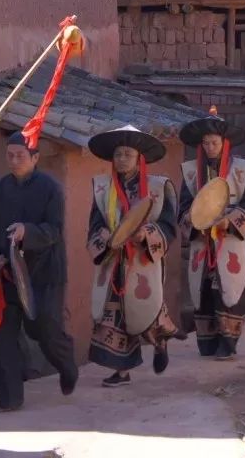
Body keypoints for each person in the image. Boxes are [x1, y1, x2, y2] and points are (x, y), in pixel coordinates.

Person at [0, 132, 77, 412]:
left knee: (44, 328)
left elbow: (54, 230)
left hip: (45, 273)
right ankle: (9, 397)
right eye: (9, 155)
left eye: (20, 155)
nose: (14, 160)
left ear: (35, 158)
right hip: (8, 274)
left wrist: (27, 231)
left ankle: (66, 362)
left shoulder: (50, 189)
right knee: (2, 333)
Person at [85, 125, 179, 388]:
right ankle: (121, 370)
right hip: (113, 262)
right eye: (118, 154)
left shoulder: (158, 188)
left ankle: (160, 342)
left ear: (139, 158)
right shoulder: (102, 188)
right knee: (114, 314)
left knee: (144, 312)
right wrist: (103, 235)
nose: (122, 159)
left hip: (143, 261)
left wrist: (148, 233)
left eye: (127, 154)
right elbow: (93, 225)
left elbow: (169, 227)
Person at [177, 109, 245, 360]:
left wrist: (229, 220)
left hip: (230, 240)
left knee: (230, 290)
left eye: (214, 142)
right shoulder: (191, 172)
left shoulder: (241, 169)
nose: (210, 146)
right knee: (203, 291)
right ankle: (208, 342)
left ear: (224, 143)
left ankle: (228, 343)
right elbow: (183, 206)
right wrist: (189, 218)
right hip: (202, 242)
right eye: (206, 143)